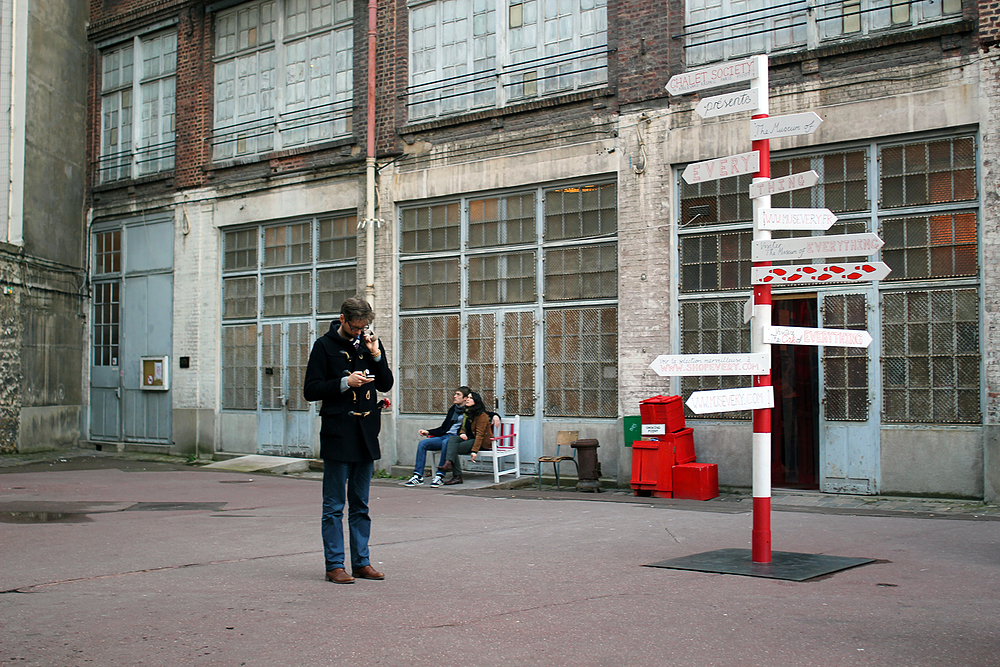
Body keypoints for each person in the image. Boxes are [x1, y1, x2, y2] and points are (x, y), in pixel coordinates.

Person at [303, 297, 393, 585]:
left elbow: (385, 384)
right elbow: (311, 390)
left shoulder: (369, 344)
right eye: (355, 327)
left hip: (366, 433)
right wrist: (345, 383)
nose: (360, 332)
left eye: (364, 327)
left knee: (361, 504)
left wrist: (377, 355)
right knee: (333, 505)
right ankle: (334, 565)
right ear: (342, 319)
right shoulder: (324, 346)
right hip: (338, 433)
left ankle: (362, 562)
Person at [405, 386, 472, 488]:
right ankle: (418, 476)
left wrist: (495, 416)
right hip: (445, 436)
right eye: (455, 394)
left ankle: (440, 475)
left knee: (447, 442)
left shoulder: (471, 410)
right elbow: (444, 427)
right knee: (423, 444)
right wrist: (428, 432)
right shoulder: (453, 409)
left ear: (465, 398)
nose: (454, 396)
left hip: (457, 439)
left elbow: (486, 413)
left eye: (458, 395)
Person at [438, 391, 493, 486]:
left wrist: (475, 451)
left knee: (452, 448)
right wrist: (462, 433)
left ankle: (456, 476)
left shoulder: (482, 416)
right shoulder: (467, 413)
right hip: (469, 439)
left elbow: (480, 435)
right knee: (452, 439)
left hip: (480, 442)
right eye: (467, 397)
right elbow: (463, 427)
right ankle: (448, 463)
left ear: (476, 401)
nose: (468, 399)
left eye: (470, 398)